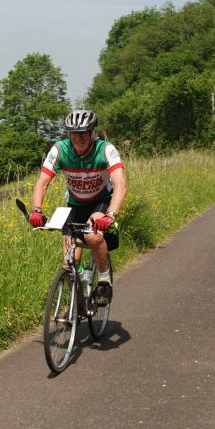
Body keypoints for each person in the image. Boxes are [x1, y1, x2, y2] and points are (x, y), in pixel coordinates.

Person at [29, 109, 127, 301]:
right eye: (74, 133)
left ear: (92, 133)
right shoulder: (60, 150)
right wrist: (36, 210)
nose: (78, 138)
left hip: (100, 202)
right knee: (69, 264)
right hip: (74, 205)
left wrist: (111, 215)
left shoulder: (105, 149)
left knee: (92, 236)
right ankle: (81, 294)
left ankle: (105, 281)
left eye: (83, 133)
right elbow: (42, 182)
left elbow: (120, 184)